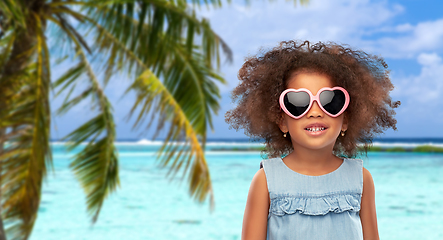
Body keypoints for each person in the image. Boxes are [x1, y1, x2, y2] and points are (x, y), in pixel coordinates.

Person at [225, 40, 400, 240]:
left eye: (330, 102)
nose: (315, 112)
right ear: (282, 121)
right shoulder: (265, 181)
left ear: (346, 119)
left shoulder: (361, 179)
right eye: (299, 102)